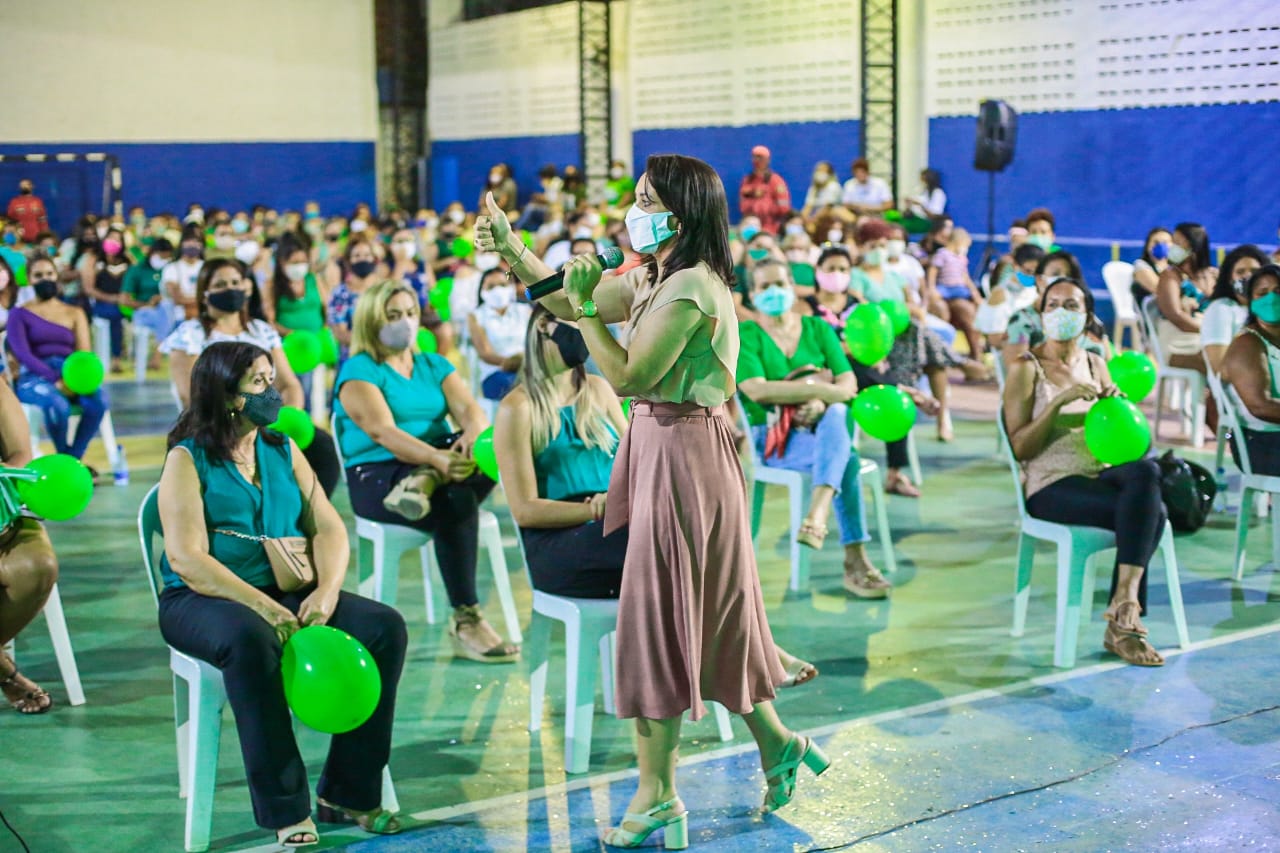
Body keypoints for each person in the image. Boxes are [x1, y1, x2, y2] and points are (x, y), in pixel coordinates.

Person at [477, 153, 829, 847]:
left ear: (681, 211)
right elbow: (555, 299)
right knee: (702, 617)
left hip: (684, 455)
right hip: (658, 447)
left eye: (644, 198)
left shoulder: (693, 287)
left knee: (660, 620)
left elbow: (633, 372)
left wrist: (583, 310)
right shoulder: (653, 275)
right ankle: (779, 742)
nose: (631, 211)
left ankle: (658, 791)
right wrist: (514, 248)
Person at [157, 341, 406, 848]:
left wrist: (328, 592)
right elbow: (188, 559)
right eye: (259, 383)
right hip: (201, 600)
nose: (274, 391)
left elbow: (330, 529)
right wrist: (263, 606)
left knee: (383, 628)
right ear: (227, 396)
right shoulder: (188, 460)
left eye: (272, 378)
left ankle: (349, 791)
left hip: (285, 591)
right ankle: (286, 809)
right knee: (253, 641)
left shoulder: (281, 449)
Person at [495, 304, 819, 684]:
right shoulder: (517, 409)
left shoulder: (597, 391)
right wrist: (594, 509)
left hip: (621, 523)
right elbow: (525, 511)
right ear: (542, 329)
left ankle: (743, 649)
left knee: (699, 534)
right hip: (563, 543)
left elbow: (635, 453)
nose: (584, 334)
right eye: (572, 325)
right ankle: (750, 650)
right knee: (675, 542)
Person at [333, 280, 519, 663]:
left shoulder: (433, 363)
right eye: (394, 315)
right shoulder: (359, 371)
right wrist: (437, 460)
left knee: (487, 454)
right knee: (457, 498)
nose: (406, 322)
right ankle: (466, 617)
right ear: (372, 320)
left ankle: (425, 483)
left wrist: (469, 434)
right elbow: (381, 431)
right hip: (379, 475)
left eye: (411, 313)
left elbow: (470, 410)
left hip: (437, 465)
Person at [1002, 278, 1166, 667]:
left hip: (1100, 475)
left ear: (1088, 315)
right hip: (1051, 484)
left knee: (1146, 472)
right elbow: (1020, 447)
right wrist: (1057, 404)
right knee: (1151, 513)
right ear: (1041, 315)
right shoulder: (1026, 369)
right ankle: (1123, 623)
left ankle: (1123, 601)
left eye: (1071, 305)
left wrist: (1121, 411)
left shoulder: (1096, 363)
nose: (1062, 312)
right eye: (1053, 304)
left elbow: (1126, 444)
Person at [738, 259, 892, 596]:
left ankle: (817, 513)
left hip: (824, 432)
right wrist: (820, 390)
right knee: (846, 458)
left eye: (780, 283)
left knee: (836, 415)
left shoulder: (817, 329)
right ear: (752, 295)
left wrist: (823, 402)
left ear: (793, 287)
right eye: (764, 287)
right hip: (778, 440)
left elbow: (848, 381)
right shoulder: (746, 334)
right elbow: (756, 389)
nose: (774, 292)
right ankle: (854, 558)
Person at [161, 259, 342, 496]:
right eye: (221, 284)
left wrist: (288, 418)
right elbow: (193, 395)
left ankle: (307, 517)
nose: (230, 288)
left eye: (236, 282)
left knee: (322, 448)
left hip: (266, 421)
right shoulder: (189, 335)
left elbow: (288, 384)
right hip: (218, 425)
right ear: (204, 293)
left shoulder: (261, 330)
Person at [6, 256, 108, 463]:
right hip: (32, 375)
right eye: (38, 275)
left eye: (49, 274)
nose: (45, 279)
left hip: (69, 372)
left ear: (57, 276)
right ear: (29, 279)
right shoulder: (19, 314)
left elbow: (83, 354)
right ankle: (65, 457)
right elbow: (23, 354)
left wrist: (73, 380)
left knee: (99, 402)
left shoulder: (74, 312)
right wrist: (54, 379)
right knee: (57, 404)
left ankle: (73, 459)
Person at [0, 377, 60, 714]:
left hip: (2, 517)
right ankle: (7, 675)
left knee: (37, 566)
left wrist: (5, 472)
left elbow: (21, 454)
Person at [1221, 265, 1280, 475]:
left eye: (1278, 291)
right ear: (1251, 302)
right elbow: (1260, 406)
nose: (1272, 298)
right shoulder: (1247, 344)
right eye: (1263, 293)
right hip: (1262, 445)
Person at [1003, 250, 1106, 367]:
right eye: (1055, 274)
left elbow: (1107, 360)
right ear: (1039, 279)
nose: (1062, 279)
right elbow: (1015, 372)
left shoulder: (1086, 319)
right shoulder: (1022, 321)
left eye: (1068, 275)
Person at [1154, 222, 1215, 374]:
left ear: (1193, 246)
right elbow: (1176, 316)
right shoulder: (1170, 276)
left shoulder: (1212, 275)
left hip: (1206, 339)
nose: (1170, 247)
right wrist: (1209, 331)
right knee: (1217, 360)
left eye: (1176, 242)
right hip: (1179, 344)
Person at [1202, 245, 1268, 374]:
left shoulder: (1267, 309)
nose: (1248, 277)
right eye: (1240, 272)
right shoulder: (1221, 310)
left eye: (1254, 271)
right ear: (1229, 278)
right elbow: (1221, 368)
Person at [469, 267, 532, 401]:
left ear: (511, 287)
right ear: (482, 292)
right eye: (491, 287)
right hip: (496, 372)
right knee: (521, 385)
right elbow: (485, 354)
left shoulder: (524, 310)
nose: (498, 290)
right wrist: (512, 363)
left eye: (503, 285)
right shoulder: (477, 316)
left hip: (530, 366)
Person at [926, 227, 984, 359]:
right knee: (941, 306)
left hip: (959, 289)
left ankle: (977, 352)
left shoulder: (961, 258)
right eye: (965, 245)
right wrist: (932, 289)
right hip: (945, 288)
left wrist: (975, 293)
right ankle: (943, 353)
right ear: (958, 241)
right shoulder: (942, 254)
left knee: (975, 309)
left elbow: (965, 277)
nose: (966, 248)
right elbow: (933, 271)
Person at [85, 227, 130, 373]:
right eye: (111, 238)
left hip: (125, 302)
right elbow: (89, 289)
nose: (114, 242)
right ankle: (115, 359)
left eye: (118, 239)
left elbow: (136, 278)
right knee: (114, 316)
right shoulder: (94, 260)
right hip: (103, 303)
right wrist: (111, 298)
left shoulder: (127, 260)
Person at [123, 237, 176, 359]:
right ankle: (158, 353)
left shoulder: (169, 269)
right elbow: (124, 299)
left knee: (167, 308)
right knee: (165, 312)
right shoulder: (137, 270)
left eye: (167, 258)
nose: (164, 260)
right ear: (153, 253)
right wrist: (147, 304)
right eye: (162, 257)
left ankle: (158, 353)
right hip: (143, 312)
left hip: (168, 311)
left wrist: (162, 298)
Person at [327, 238, 383, 351]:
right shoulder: (340, 295)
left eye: (367, 255)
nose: (362, 259)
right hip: (353, 357)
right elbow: (340, 333)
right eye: (357, 256)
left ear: (374, 259)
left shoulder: (383, 291)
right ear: (348, 261)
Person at [738, 145, 791, 236]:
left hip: (771, 229)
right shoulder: (747, 180)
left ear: (767, 160)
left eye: (760, 157)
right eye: (754, 157)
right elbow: (742, 204)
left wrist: (765, 208)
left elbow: (784, 207)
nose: (756, 160)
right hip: (751, 228)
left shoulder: (776, 181)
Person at [162, 228, 205, 321]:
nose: (192, 244)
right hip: (177, 317)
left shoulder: (206, 267)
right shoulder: (171, 268)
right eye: (188, 241)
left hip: (204, 315)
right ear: (181, 244)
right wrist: (202, 300)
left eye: (196, 241)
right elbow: (178, 299)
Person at [1131, 227, 1172, 305]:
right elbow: (1161, 290)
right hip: (1151, 313)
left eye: (1165, 242)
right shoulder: (1141, 265)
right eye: (1156, 242)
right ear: (1148, 245)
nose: (1160, 246)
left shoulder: (1174, 267)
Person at [899, 168, 946, 233]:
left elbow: (935, 216)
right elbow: (908, 214)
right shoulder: (923, 192)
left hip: (926, 222)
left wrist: (920, 205)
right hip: (914, 219)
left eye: (923, 179)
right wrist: (908, 206)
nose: (921, 182)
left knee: (901, 228)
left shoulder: (938, 193)